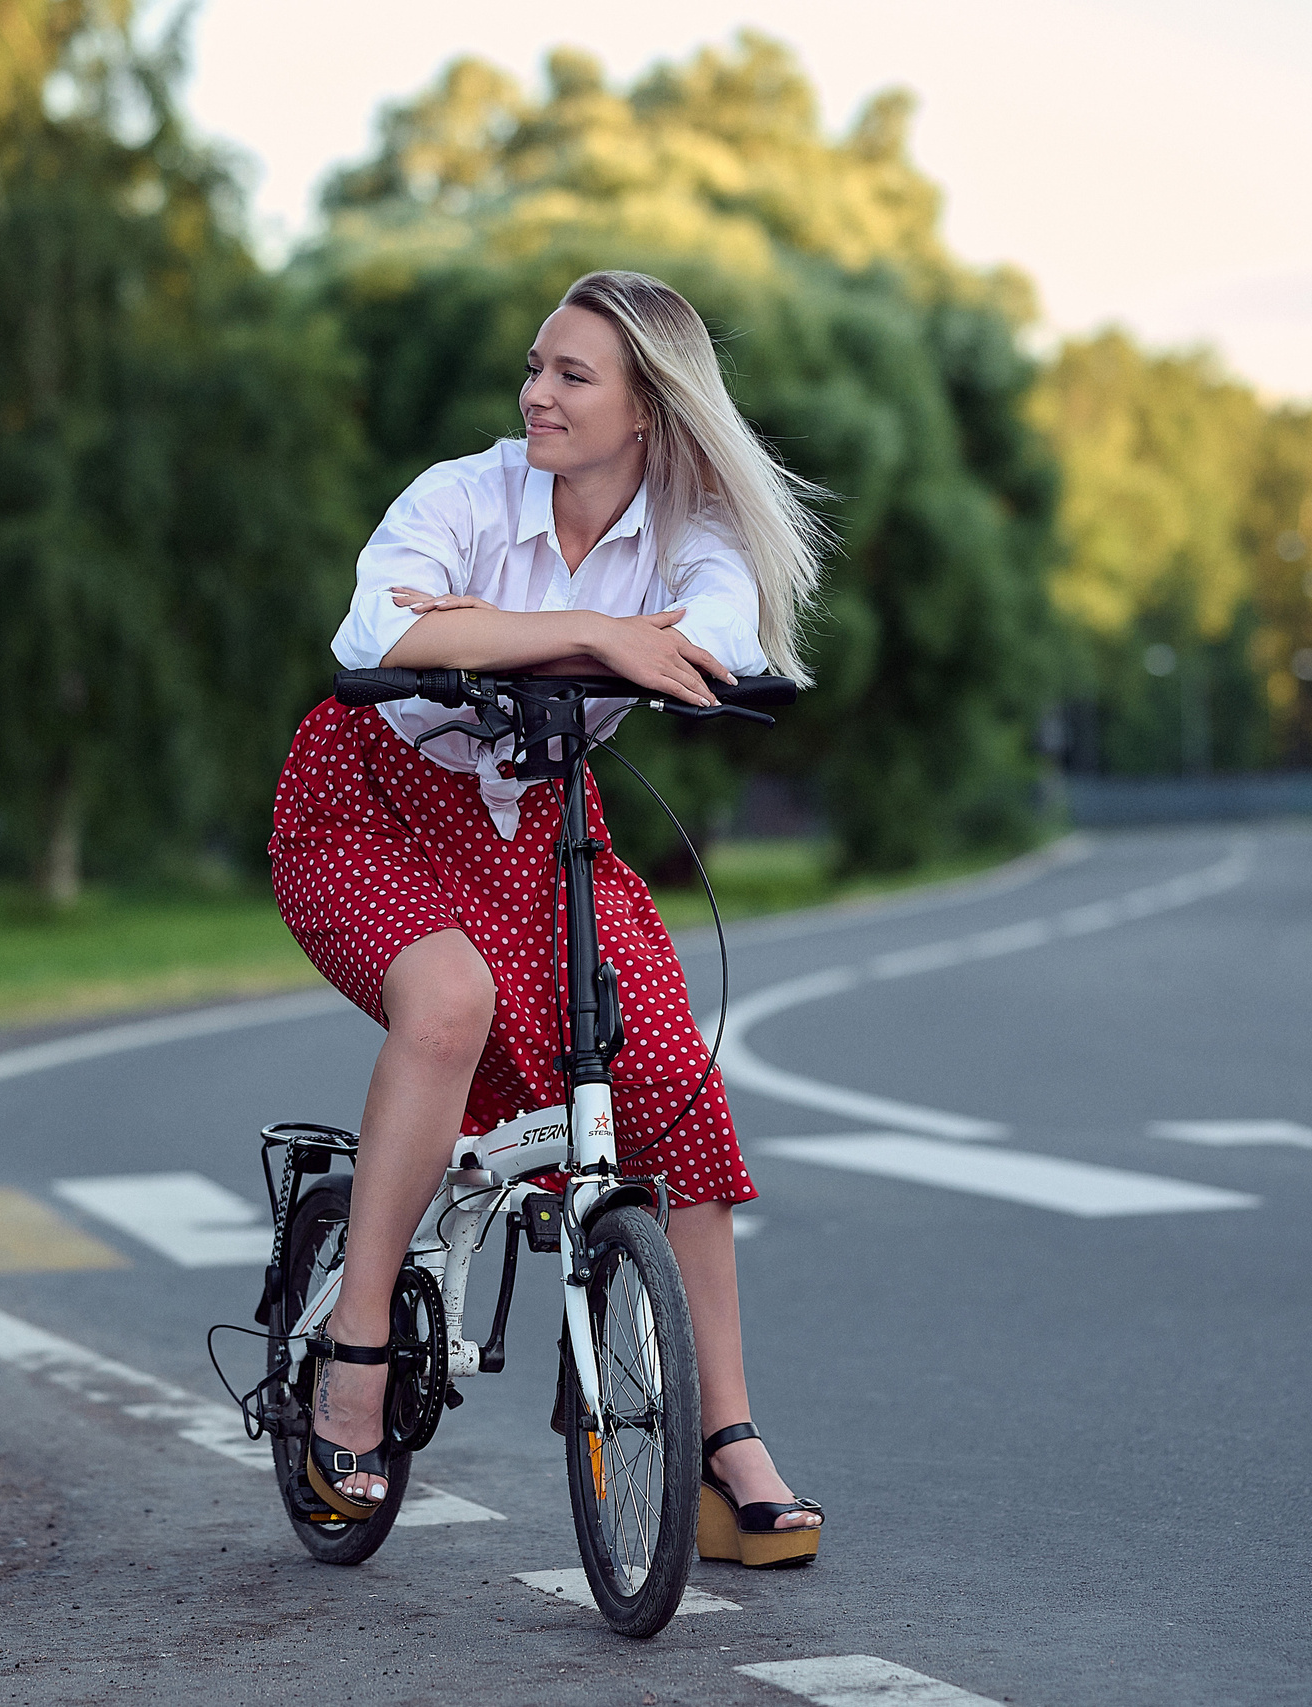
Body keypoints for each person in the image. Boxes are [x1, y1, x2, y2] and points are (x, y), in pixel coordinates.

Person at [268, 270, 828, 1568]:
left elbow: (715, 641)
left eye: (573, 376)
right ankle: (354, 1359)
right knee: (450, 1001)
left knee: (674, 1089)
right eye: (535, 367)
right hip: (371, 799)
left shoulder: (697, 533)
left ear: (649, 409)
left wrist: (620, 642)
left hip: (538, 820)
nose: (537, 394)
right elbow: (375, 629)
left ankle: (719, 1442)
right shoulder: (461, 496)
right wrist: (594, 634)